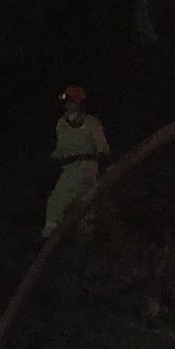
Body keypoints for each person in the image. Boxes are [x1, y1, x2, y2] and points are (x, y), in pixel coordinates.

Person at [43, 86, 110, 237]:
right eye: (67, 102)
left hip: (87, 167)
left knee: (85, 205)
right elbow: (60, 149)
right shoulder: (62, 123)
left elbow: (103, 149)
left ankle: (87, 239)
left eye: (72, 101)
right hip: (68, 168)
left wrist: (103, 163)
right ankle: (49, 238)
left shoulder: (92, 122)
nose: (69, 105)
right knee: (55, 203)